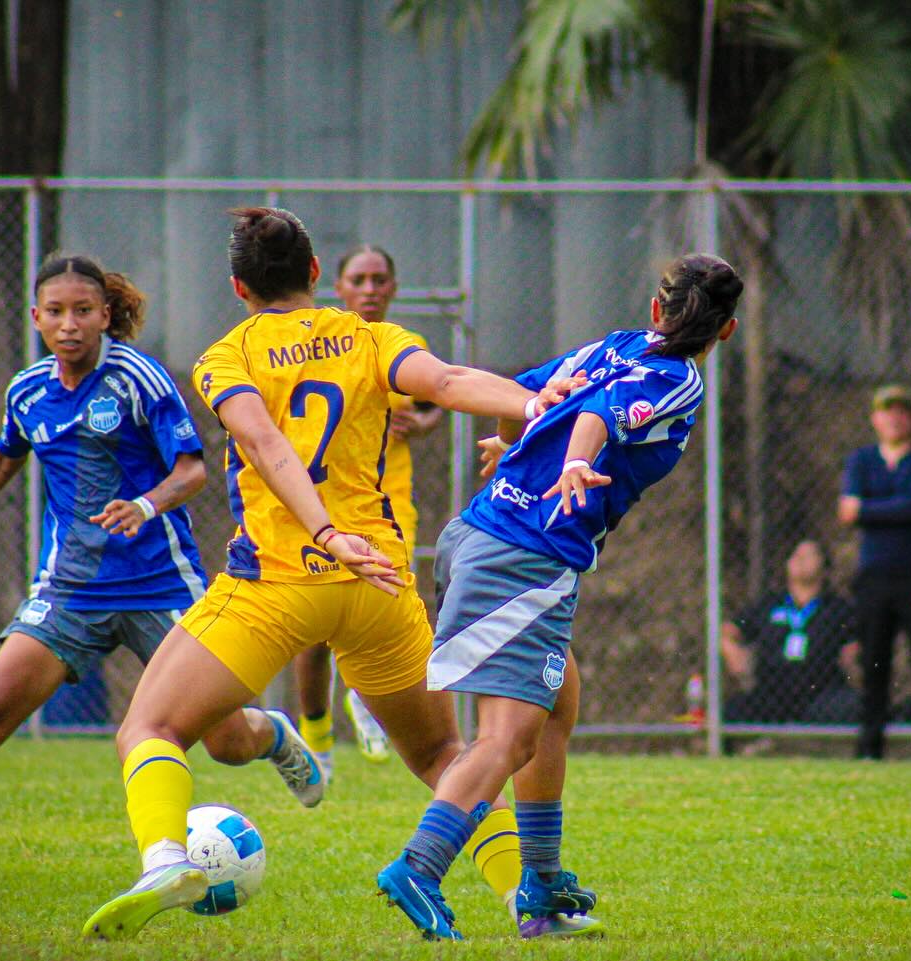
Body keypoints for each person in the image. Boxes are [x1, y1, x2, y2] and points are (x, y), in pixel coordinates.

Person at [80, 207, 578, 941]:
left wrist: (321, 531)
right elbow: (445, 379)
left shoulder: (228, 355)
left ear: (238, 286)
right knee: (444, 754)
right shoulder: (370, 335)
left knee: (149, 725)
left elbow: (265, 443)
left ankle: (164, 858)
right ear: (317, 274)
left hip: (276, 585)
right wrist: (530, 401)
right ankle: (526, 905)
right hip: (375, 586)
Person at [0, 254, 312, 896]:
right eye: (55, 312)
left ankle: (271, 734)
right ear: (35, 319)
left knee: (223, 740)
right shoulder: (27, 391)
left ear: (106, 315)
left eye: (83, 311)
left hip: (160, 587)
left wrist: (144, 505)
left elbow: (192, 469)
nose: (70, 324)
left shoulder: (139, 379)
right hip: (69, 592)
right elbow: (5, 456)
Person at [377, 253, 743, 942]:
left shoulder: (617, 344)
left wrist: (510, 439)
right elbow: (598, 415)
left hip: (482, 534)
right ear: (725, 333)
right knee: (508, 738)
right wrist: (575, 459)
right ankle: (417, 868)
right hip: (524, 558)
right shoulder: (677, 379)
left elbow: (530, 391)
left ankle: (542, 886)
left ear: (657, 310)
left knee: (557, 701)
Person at [294, 244, 442, 775]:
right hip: (319, 505)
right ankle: (316, 736)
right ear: (338, 287)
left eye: (381, 278)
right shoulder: (311, 349)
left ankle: (366, 699)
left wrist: (420, 424)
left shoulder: (405, 346)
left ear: (395, 288)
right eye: (360, 278)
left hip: (386, 505)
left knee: (389, 602)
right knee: (313, 628)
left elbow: (430, 403)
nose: (371, 288)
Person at [839, 384, 911, 761]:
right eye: (888, 411)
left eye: (903, 411)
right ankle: (870, 747)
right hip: (874, 576)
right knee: (874, 662)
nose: (895, 418)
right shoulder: (862, 460)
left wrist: (869, 509)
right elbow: (848, 512)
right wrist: (901, 510)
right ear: (875, 418)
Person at [720, 539, 860, 725]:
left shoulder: (837, 608)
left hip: (821, 692)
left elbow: (855, 645)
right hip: (771, 691)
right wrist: (735, 655)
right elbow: (730, 631)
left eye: (809, 554)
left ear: (824, 568)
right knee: (731, 711)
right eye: (795, 554)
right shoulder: (769, 604)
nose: (800, 559)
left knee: (850, 707)